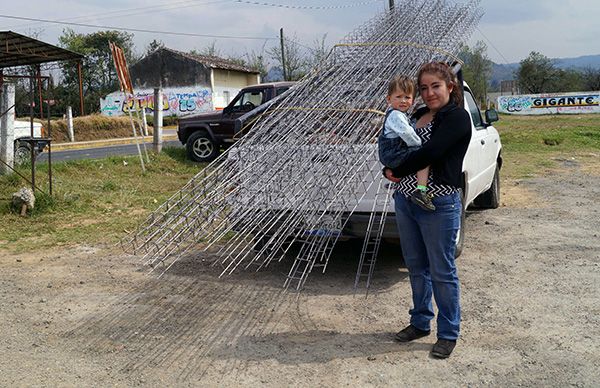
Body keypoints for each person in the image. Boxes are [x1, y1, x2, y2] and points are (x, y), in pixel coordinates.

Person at [383, 62, 471, 359]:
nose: (429, 93)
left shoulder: (457, 118)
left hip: (438, 204)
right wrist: (388, 168)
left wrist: (397, 168)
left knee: (442, 270)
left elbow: (431, 152)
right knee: (416, 266)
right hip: (406, 201)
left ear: (450, 86)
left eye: (436, 86)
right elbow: (395, 145)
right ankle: (420, 322)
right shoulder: (417, 115)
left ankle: (448, 332)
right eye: (424, 88)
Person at [378, 75, 435, 211]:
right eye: (398, 97)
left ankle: (408, 190)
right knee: (424, 157)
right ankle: (421, 190)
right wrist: (418, 146)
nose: (403, 101)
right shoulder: (396, 115)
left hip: (392, 153)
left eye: (407, 97)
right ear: (389, 99)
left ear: (413, 100)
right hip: (393, 153)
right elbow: (406, 133)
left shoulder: (399, 114)